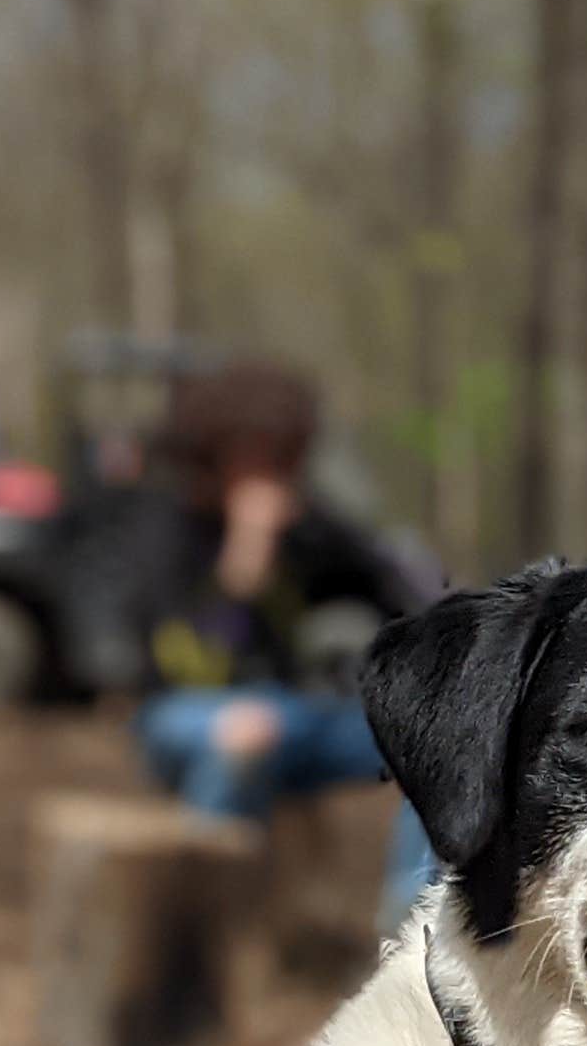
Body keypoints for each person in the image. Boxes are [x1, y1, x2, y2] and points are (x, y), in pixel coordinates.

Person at [126, 361, 446, 932]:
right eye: (251, 455)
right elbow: (190, 657)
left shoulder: (308, 527)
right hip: (180, 712)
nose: (267, 473)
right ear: (212, 455)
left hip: (294, 712)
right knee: (248, 730)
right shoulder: (165, 528)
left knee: (432, 744)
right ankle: (204, 931)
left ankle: (410, 930)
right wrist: (248, 548)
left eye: (279, 456)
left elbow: (398, 594)